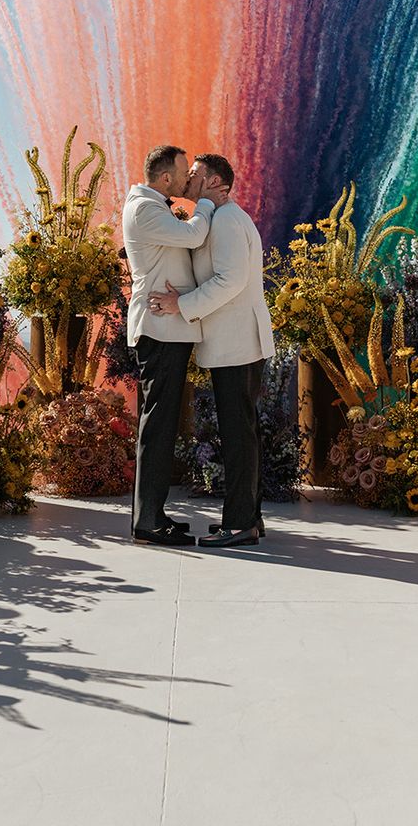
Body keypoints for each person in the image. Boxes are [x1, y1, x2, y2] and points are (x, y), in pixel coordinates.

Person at [151, 153, 275, 548]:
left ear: (215, 181)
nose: (187, 179)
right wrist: (184, 295)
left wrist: (180, 306)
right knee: (243, 432)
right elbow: (220, 279)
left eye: (194, 174)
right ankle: (249, 519)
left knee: (239, 435)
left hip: (236, 344)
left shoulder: (225, 221)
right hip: (235, 342)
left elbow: (229, 281)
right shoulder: (224, 219)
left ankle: (239, 524)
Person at [123, 145, 229, 547]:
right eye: (184, 173)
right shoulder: (145, 209)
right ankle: (148, 522)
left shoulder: (154, 205)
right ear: (165, 178)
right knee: (158, 427)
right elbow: (193, 234)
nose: (188, 180)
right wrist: (204, 201)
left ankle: (154, 514)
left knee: (163, 425)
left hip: (169, 330)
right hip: (160, 330)